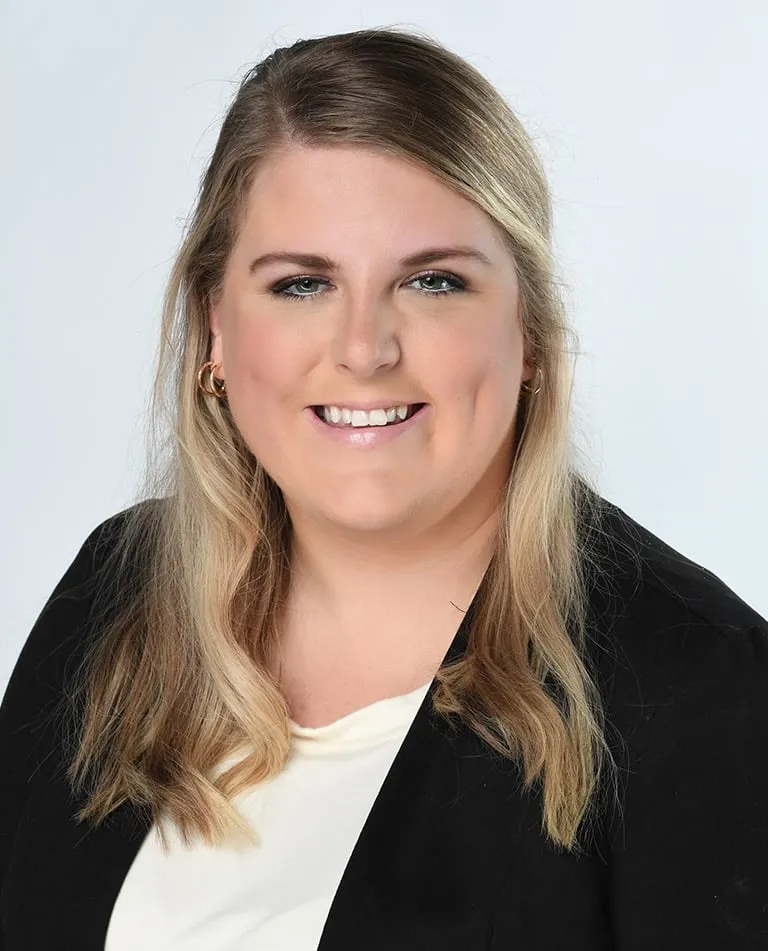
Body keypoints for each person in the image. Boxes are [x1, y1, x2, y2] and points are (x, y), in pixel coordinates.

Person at [1, 26, 766, 951]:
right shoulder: (117, 593)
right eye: (301, 285)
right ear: (214, 328)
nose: (364, 349)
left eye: (434, 281)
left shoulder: (709, 691)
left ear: (528, 332)